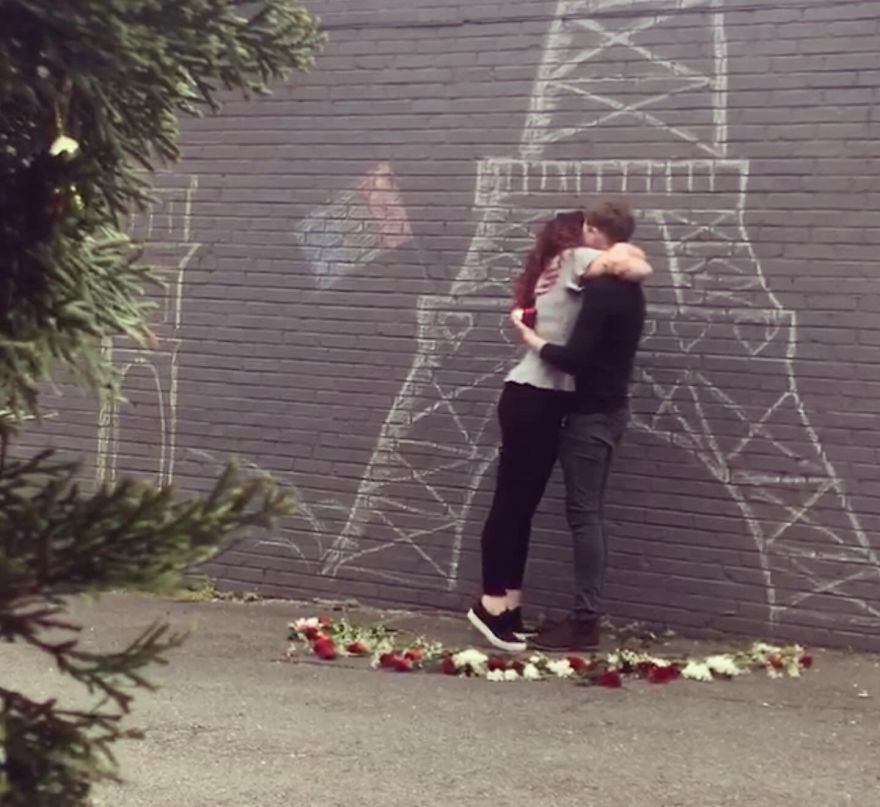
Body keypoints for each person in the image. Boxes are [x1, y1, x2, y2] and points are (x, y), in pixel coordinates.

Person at [468, 207, 650, 652]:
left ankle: (508, 606)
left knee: (521, 506)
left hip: (547, 398)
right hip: (534, 395)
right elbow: (629, 263)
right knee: (511, 504)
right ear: (577, 236)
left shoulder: (558, 266)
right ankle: (490, 604)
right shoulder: (574, 259)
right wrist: (632, 254)